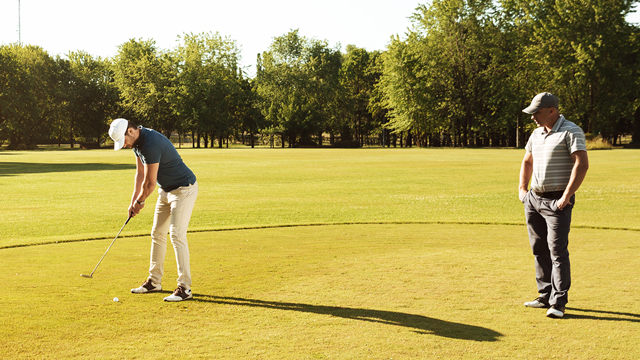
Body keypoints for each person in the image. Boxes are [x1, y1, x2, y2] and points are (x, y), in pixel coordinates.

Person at [108, 118, 198, 302]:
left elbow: (149, 184)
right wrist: (133, 202)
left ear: (130, 132)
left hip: (183, 189)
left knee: (176, 234)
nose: (124, 145)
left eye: (123, 141)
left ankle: (184, 288)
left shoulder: (150, 144)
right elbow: (140, 175)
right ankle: (154, 282)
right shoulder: (137, 144)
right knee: (157, 233)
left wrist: (140, 202)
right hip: (166, 190)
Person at [518, 92, 589, 318]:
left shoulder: (571, 131)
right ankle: (545, 295)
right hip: (534, 199)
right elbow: (527, 161)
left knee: (557, 251)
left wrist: (567, 196)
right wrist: (523, 190)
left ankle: (558, 303)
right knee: (539, 249)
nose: (532, 118)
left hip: (558, 200)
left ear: (552, 110)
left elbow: (581, 164)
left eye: (536, 113)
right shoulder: (536, 134)